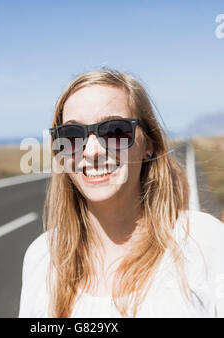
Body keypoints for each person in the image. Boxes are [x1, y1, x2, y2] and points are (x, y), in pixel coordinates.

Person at [18, 68, 224, 318]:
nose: (92, 151)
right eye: (72, 135)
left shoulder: (204, 242)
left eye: (115, 131)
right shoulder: (42, 257)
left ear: (149, 144)